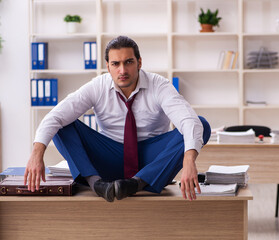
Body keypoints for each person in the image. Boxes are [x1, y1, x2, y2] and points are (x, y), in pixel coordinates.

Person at [24, 35, 211, 202]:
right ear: (108, 66)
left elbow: (188, 120)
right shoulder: (98, 86)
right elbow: (55, 116)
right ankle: (97, 184)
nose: (122, 70)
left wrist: (188, 160)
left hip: (150, 159)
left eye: (128, 62)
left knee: (201, 124)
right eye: (115, 64)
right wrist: (36, 154)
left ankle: (136, 184)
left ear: (139, 62)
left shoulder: (159, 85)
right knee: (62, 125)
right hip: (109, 155)